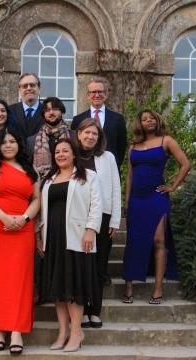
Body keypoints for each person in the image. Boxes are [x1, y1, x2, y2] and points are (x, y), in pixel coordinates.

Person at [0, 127, 40, 356]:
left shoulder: (30, 170)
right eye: (4, 142)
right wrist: (4, 217)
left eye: (13, 141)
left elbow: (36, 200)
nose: (9, 145)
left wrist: (23, 219)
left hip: (22, 229)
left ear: (19, 144)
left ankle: (16, 331)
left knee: (19, 279)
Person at [37, 138, 102, 352]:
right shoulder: (48, 179)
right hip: (53, 238)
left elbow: (96, 204)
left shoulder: (88, 176)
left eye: (65, 151)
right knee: (58, 288)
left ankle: (76, 332)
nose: (61, 154)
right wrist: (39, 235)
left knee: (74, 286)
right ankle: (62, 332)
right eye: (57, 152)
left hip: (77, 237)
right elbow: (41, 211)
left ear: (74, 154)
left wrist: (91, 230)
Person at [122, 110, 190, 305]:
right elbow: (129, 176)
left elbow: (185, 164)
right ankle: (129, 287)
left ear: (157, 120)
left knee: (159, 240)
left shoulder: (166, 141)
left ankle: (158, 288)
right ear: (139, 124)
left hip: (157, 197)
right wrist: (127, 201)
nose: (148, 121)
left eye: (151, 118)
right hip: (136, 199)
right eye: (144, 119)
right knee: (133, 241)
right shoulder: (133, 147)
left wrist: (173, 186)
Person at [74, 118, 121, 328]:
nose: (90, 136)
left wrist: (115, 219)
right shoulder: (71, 156)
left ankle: (95, 310)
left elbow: (115, 188)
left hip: (102, 217)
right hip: (76, 218)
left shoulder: (107, 157)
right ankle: (81, 310)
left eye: (95, 133)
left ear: (99, 137)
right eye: (87, 133)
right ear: (79, 134)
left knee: (98, 266)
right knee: (80, 266)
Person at [71, 77, 127, 169]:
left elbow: (121, 147)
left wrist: (114, 165)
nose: (97, 95)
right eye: (93, 92)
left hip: (109, 168)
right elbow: (75, 144)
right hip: (84, 167)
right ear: (88, 95)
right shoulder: (78, 119)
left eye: (100, 91)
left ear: (106, 94)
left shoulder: (118, 119)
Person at [27, 96, 74, 179]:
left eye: (55, 109)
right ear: (43, 114)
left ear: (62, 112)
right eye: (47, 110)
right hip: (42, 185)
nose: (51, 112)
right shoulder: (31, 141)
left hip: (70, 182)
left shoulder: (74, 136)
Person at [9, 73, 46, 139]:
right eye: (25, 86)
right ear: (19, 90)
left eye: (32, 85)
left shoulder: (47, 111)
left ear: (39, 87)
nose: (29, 88)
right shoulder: (10, 111)